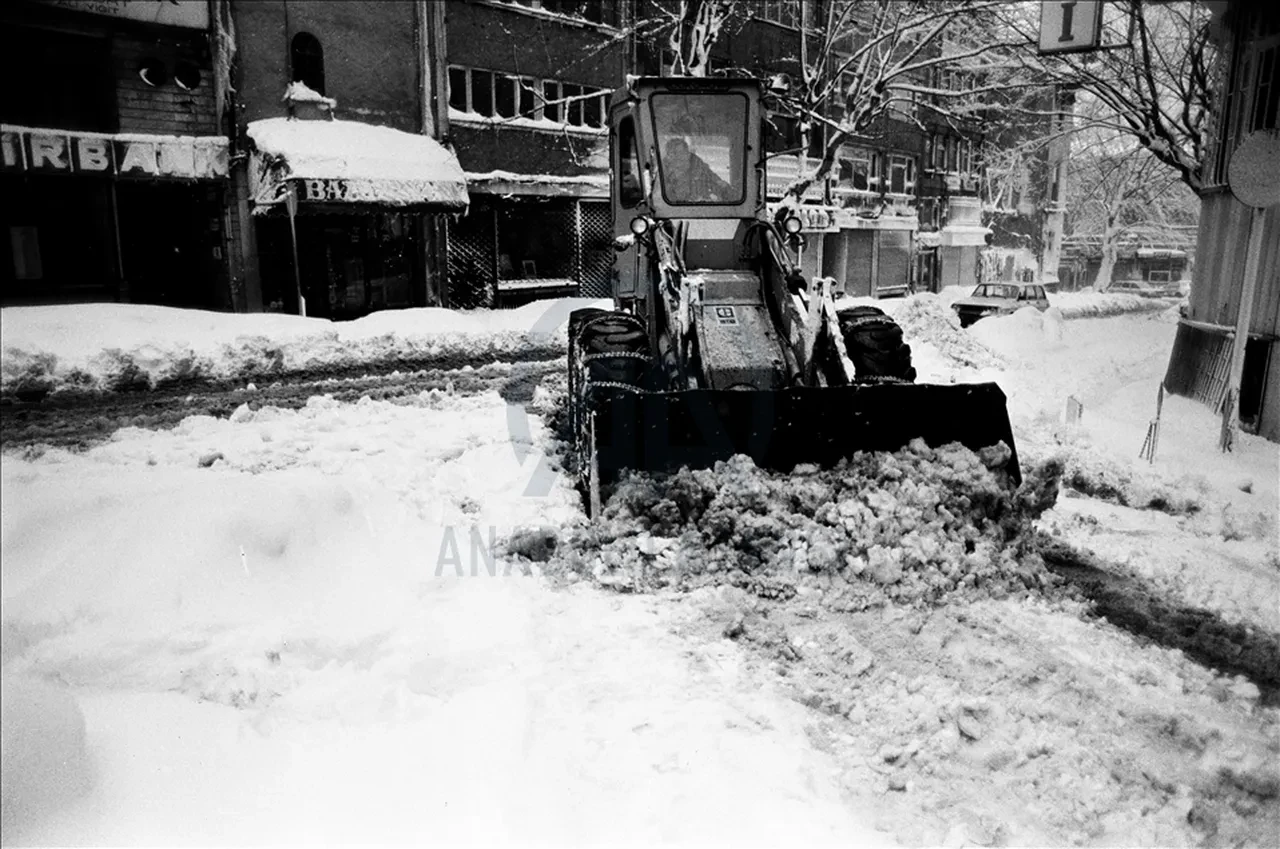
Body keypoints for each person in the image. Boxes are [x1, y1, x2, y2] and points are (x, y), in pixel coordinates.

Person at [662, 137, 735, 203]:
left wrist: (725, 191)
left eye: (682, 152)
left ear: (688, 154)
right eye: (674, 154)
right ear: (668, 156)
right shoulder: (661, 176)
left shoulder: (701, 170)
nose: (679, 157)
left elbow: (723, 189)